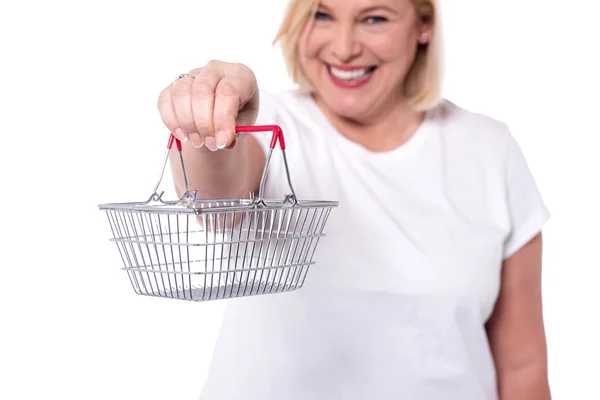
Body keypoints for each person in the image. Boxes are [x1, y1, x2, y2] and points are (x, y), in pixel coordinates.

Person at [157, 0, 552, 398]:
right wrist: (210, 123)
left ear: (423, 25)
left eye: (374, 18)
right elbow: (215, 200)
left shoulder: (489, 149)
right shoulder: (268, 123)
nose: (344, 48)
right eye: (323, 15)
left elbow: (523, 367)